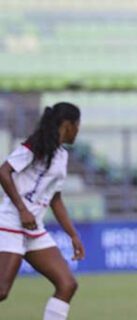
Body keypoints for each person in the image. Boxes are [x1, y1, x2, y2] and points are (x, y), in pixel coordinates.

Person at [0, 102, 84, 320]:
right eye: (77, 125)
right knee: (1, 291)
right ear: (67, 125)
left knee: (67, 284)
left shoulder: (62, 156)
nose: (78, 131)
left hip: (34, 229)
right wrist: (22, 210)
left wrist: (73, 234)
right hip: (11, 223)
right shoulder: (35, 145)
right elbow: (4, 171)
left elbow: (55, 199)